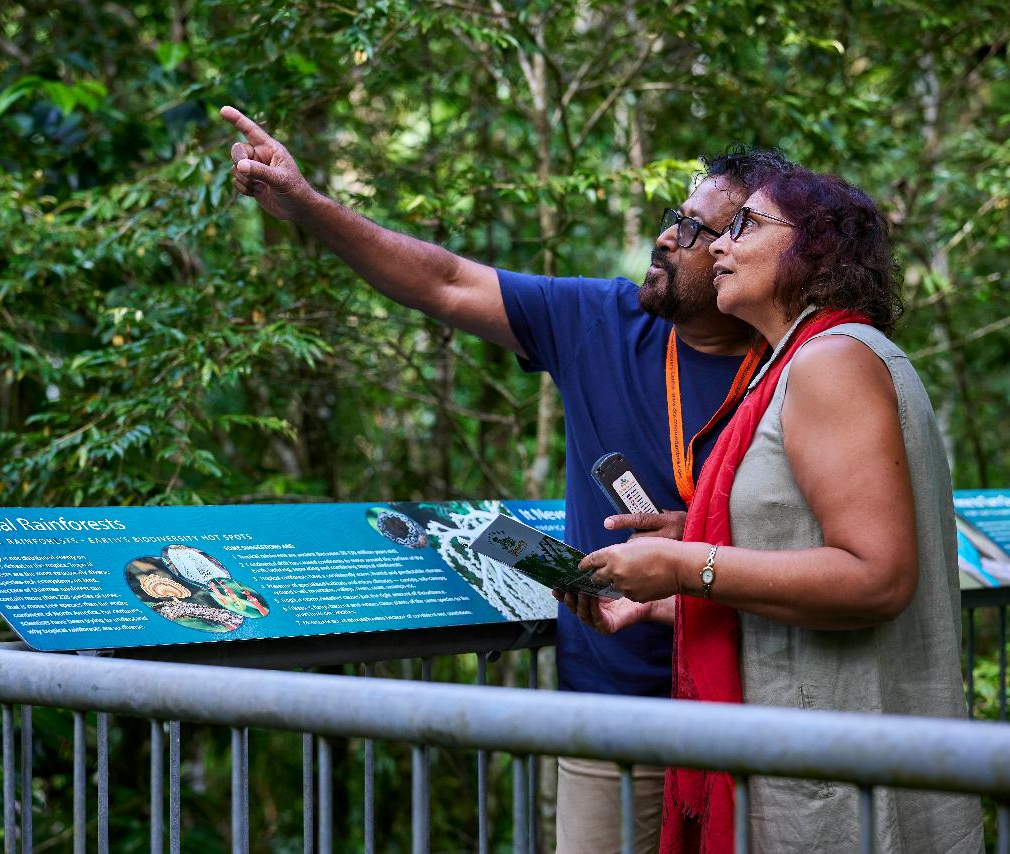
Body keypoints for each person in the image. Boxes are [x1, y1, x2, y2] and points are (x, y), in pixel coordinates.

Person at [219, 104, 793, 853]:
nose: (665, 238)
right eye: (670, 217)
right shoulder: (603, 322)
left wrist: (704, 544)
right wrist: (306, 202)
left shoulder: (801, 363)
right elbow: (445, 281)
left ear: (741, 253)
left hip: (755, 711)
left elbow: (838, 541)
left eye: (693, 229)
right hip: (613, 713)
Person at [575, 169, 984, 853]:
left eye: (745, 226)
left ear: (815, 249)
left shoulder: (831, 362)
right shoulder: (803, 360)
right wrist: (663, 599)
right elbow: (799, 564)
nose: (717, 246)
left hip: (839, 770)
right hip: (821, 754)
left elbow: (875, 578)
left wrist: (681, 561)